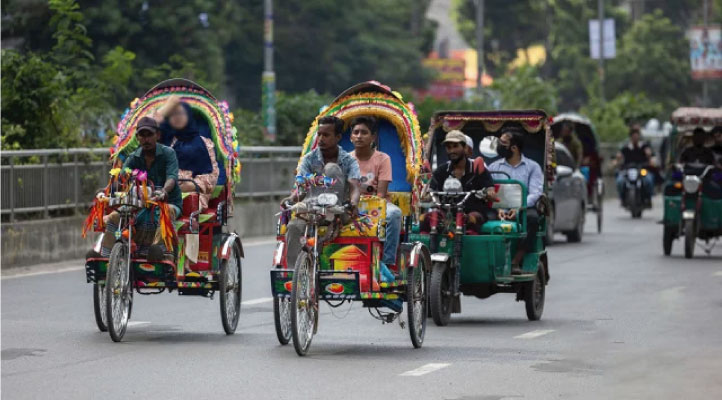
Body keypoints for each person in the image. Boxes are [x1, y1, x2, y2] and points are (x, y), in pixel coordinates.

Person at [92, 117, 183, 262]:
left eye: (149, 135)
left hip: (167, 201)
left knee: (166, 211)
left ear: (157, 135)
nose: (146, 139)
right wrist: (105, 191)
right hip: (139, 204)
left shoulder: (168, 153)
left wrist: (164, 191)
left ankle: (160, 251)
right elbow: (120, 179)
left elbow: (172, 177)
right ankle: (105, 257)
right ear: (137, 137)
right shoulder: (134, 157)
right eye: (142, 135)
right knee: (114, 217)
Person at [282, 116, 362, 269]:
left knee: (331, 168)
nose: (321, 139)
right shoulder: (308, 159)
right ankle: (295, 278)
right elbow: (301, 186)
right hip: (312, 209)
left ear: (338, 137)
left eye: (326, 135)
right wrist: (291, 199)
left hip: (339, 210)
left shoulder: (348, 161)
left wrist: (353, 203)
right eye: (319, 134)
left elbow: (354, 186)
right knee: (293, 227)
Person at [349, 116, 402, 282]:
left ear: (373, 137)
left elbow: (381, 194)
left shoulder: (383, 159)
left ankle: (387, 263)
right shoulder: (346, 159)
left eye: (364, 132)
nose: (359, 136)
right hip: (352, 203)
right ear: (351, 137)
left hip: (376, 203)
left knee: (394, 214)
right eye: (356, 132)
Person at [487, 126, 544, 275]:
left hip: (523, 208)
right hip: (499, 208)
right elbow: (489, 191)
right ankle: (491, 261)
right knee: (484, 220)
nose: (499, 146)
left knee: (532, 219)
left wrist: (519, 207)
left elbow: (535, 192)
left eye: (503, 143)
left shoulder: (532, 167)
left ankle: (516, 261)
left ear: (514, 148)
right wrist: (498, 208)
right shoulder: (493, 167)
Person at [421, 130, 495, 233]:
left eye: (455, 146)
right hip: (446, 213)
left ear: (465, 148)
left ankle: (469, 248)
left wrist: (489, 193)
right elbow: (431, 190)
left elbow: (490, 189)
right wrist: (425, 195)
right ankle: (426, 248)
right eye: (448, 147)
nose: (451, 151)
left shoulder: (478, 169)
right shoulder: (441, 171)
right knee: (425, 219)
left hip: (472, 212)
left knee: (472, 219)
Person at [153, 96, 219, 211]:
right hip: (164, 192)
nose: (177, 117)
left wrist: (192, 185)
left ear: (188, 115)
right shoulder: (164, 141)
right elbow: (146, 126)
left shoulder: (204, 143)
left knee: (187, 205)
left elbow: (212, 175)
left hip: (193, 193)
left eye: (181, 113)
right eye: (173, 114)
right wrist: (166, 108)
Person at [613, 124, 655, 205]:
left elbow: (651, 156)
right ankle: (622, 198)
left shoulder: (644, 146)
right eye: (633, 135)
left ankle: (648, 198)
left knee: (649, 180)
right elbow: (619, 156)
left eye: (637, 135)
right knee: (620, 181)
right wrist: (616, 161)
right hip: (627, 169)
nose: (635, 137)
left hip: (642, 169)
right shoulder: (626, 146)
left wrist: (650, 157)